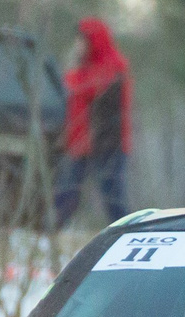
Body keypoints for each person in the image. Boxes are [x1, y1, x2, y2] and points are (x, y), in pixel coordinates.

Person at [53, 16, 132, 226]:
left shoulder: (113, 69)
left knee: (112, 196)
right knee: (67, 193)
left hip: (107, 146)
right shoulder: (80, 71)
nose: (78, 46)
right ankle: (49, 234)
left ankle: (126, 233)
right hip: (80, 145)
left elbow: (105, 108)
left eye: (83, 41)